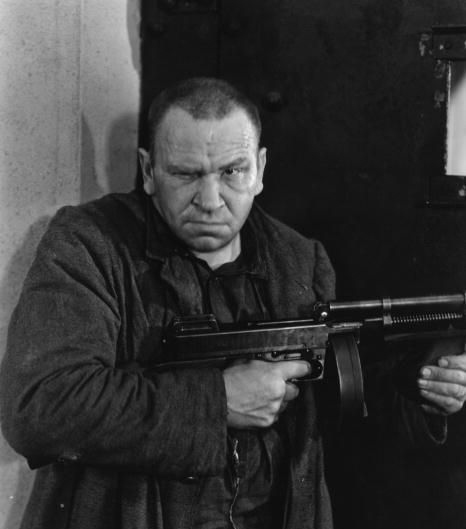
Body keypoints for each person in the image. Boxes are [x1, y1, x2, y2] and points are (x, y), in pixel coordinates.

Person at [1, 77, 466, 529]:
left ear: (259, 169)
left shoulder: (299, 259)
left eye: (232, 171)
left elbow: (326, 409)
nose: (210, 200)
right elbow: (39, 408)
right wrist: (220, 401)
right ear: (148, 171)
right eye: (185, 174)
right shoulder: (90, 244)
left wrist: (418, 387)